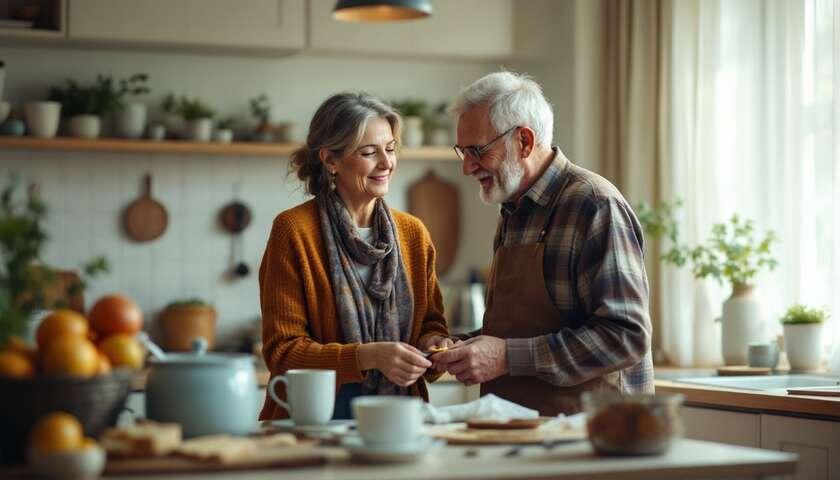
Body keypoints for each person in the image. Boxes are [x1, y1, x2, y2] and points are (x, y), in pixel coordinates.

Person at [432, 71, 654, 415]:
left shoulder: (593, 204)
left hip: (594, 436)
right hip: (519, 428)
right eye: (463, 152)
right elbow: (519, 331)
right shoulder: (513, 209)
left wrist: (506, 357)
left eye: (477, 150)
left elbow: (625, 336)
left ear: (523, 141)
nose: (467, 168)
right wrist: (459, 348)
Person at [258, 92, 452, 420]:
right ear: (330, 160)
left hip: (399, 422)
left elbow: (431, 325)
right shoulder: (293, 230)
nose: (386, 163)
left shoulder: (413, 234)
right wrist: (367, 357)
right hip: (315, 422)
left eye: (390, 149)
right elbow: (283, 353)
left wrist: (434, 344)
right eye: (368, 152)